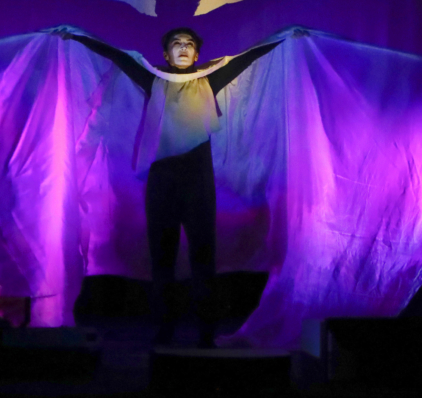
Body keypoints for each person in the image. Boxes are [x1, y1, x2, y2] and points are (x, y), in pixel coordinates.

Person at [57, 24, 282, 347]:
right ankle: (165, 329)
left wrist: (283, 37)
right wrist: (77, 36)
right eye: (177, 43)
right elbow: (120, 58)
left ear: (197, 54)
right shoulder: (155, 81)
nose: (183, 47)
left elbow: (244, 60)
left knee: (203, 259)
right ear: (166, 54)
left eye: (189, 43)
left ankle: (206, 333)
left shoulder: (208, 82)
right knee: (162, 259)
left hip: (198, 183)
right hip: (162, 182)